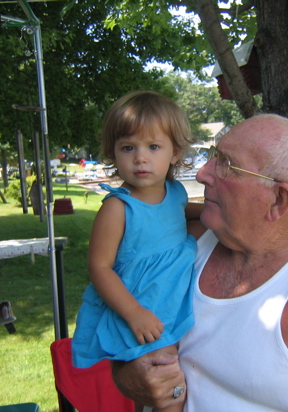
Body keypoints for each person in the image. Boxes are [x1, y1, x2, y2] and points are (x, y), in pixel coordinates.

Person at [112, 113, 288, 411]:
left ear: (278, 199)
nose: (202, 173)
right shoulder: (188, 242)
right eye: (214, 156)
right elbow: (124, 344)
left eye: (226, 165)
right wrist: (127, 375)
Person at [71, 91, 202, 412]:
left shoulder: (175, 192)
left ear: (175, 153)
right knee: (166, 387)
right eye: (128, 148)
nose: (140, 158)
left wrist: (217, 212)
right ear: (113, 153)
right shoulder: (117, 207)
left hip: (170, 297)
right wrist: (134, 314)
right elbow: (100, 267)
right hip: (142, 306)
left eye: (153, 147)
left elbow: (181, 214)